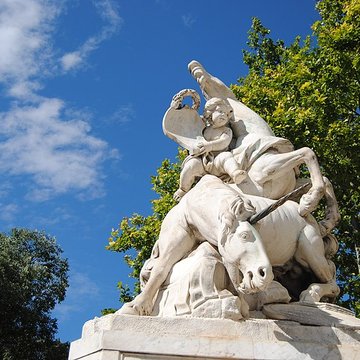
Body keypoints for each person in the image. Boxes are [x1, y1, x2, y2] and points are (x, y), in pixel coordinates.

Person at [174, 97, 246, 201]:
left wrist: (210, 146)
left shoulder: (226, 130)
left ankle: (235, 173)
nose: (223, 115)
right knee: (190, 166)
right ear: (209, 113)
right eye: (220, 111)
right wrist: (176, 107)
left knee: (226, 156)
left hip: (217, 161)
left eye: (226, 114)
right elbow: (188, 121)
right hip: (202, 162)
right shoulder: (203, 128)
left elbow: (223, 142)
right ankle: (183, 189)